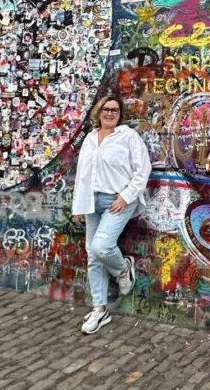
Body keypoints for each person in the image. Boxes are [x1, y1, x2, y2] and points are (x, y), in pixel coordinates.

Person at [71, 94, 152, 334]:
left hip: (118, 200)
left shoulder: (128, 136)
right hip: (92, 200)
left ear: (120, 115)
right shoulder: (90, 138)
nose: (109, 113)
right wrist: (78, 207)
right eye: (106, 109)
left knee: (102, 246)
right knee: (93, 255)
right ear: (98, 112)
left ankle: (122, 269)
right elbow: (83, 174)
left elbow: (143, 168)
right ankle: (100, 309)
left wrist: (125, 197)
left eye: (114, 110)